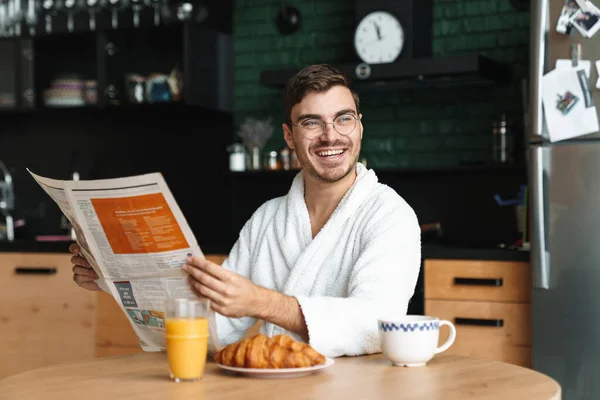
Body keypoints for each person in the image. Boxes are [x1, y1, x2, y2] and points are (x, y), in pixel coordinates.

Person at [69, 64, 421, 358]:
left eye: (343, 119)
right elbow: (215, 327)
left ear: (359, 125)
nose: (330, 136)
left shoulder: (390, 216)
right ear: (288, 135)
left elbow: (377, 322)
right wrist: (118, 282)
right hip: (274, 385)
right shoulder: (268, 219)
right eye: (312, 123)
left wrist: (261, 302)